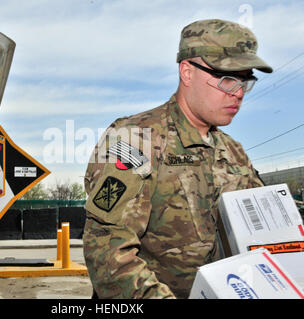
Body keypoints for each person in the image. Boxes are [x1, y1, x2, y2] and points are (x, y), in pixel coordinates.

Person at [82, 18, 273, 299]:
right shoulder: (137, 140)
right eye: (227, 79)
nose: (239, 93)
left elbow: (262, 237)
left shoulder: (234, 152)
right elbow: (107, 249)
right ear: (187, 72)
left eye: (245, 81)